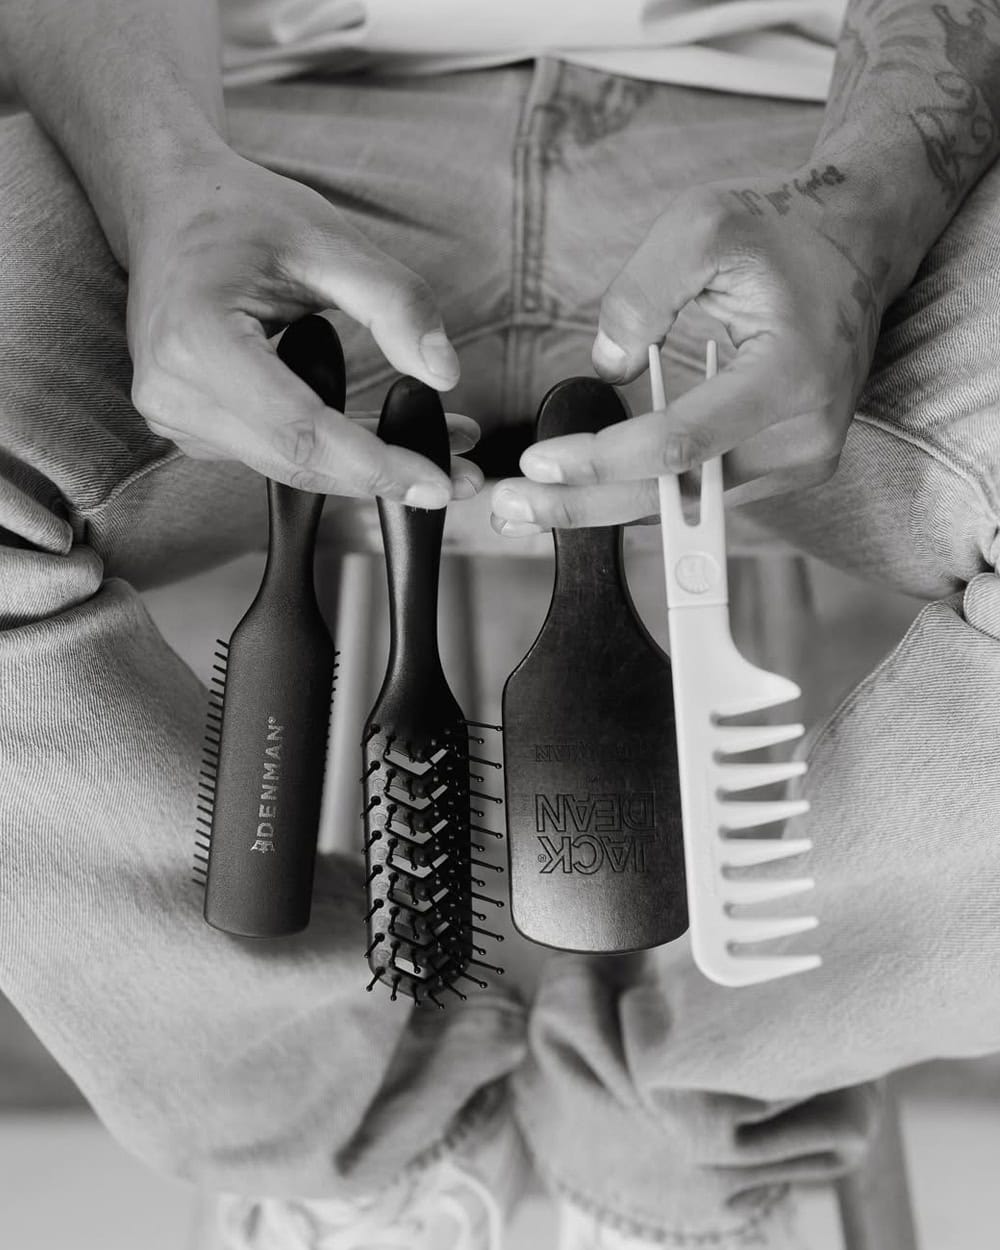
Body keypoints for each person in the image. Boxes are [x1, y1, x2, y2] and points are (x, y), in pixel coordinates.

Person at [1, 0, 1000, 1247]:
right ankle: (345, 1140)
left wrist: (863, 214)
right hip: (258, 141)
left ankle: (676, 1120)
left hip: (797, 143)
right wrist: (165, 185)